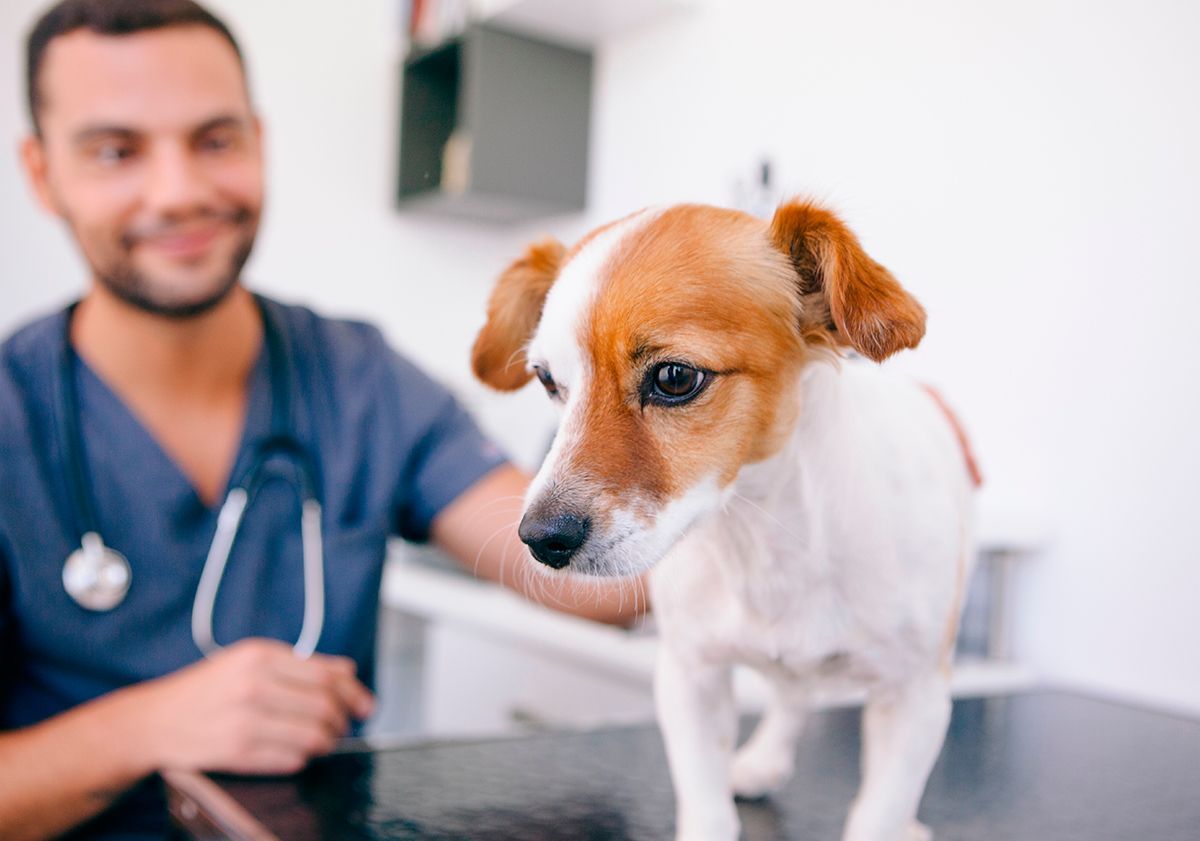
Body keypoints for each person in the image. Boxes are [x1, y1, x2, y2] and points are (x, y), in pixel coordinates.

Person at [0, 1, 647, 838]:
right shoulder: (15, 415)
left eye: (215, 139)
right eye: (117, 151)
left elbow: (588, 571)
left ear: (259, 144)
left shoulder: (360, 380)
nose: (181, 190)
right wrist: (148, 726)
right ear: (44, 173)